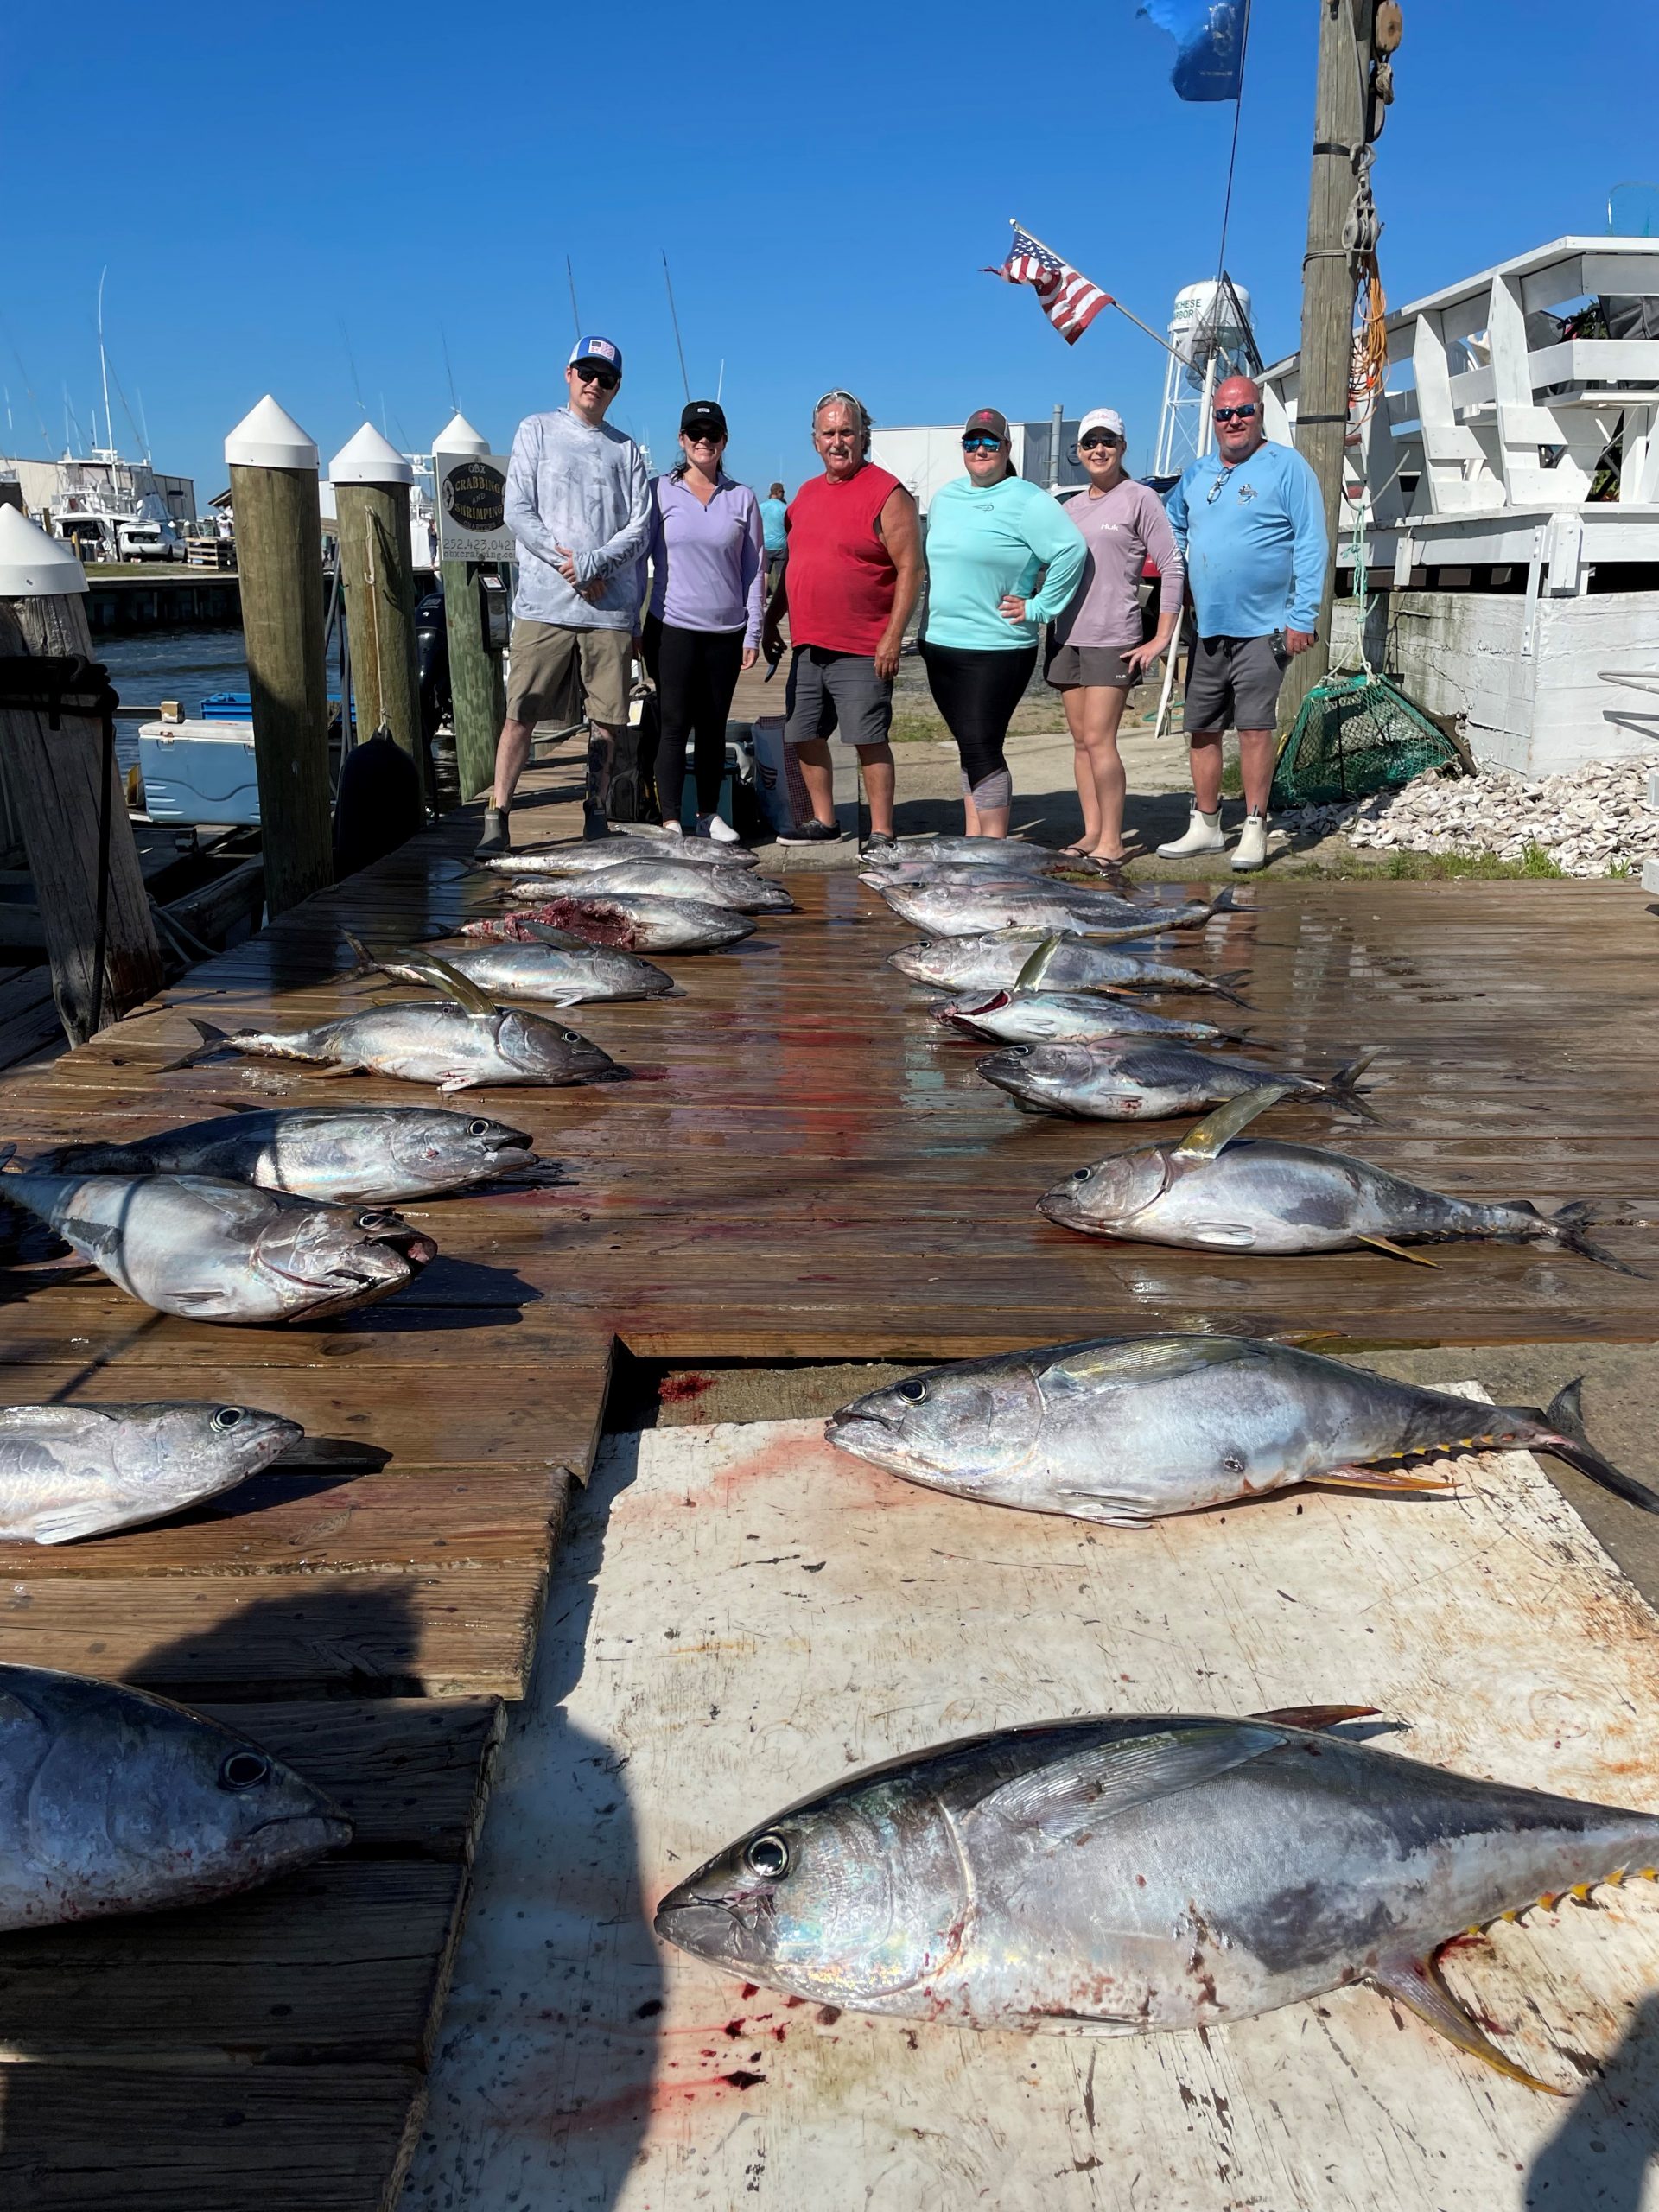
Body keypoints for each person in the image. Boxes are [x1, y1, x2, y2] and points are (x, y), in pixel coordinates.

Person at [476, 335, 651, 854]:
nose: (595, 384)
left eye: (607, 378)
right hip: (544, 606)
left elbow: (640, 527)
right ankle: (498, 812)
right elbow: (518, 511)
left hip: (611, 611)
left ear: (617, 388)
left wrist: (596, 564)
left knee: (608, 720)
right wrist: (569, 565)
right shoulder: (536, 430)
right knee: (521, 712)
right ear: (569, 374)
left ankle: (594, 809)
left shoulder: (627, 450)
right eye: (587, 373)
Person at [1158, 373, 1326, 872]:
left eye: (1243, 411)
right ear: (1213, 420)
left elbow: (1312, 543)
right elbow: (1172, 522)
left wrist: (1302, 615)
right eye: (1224, 414)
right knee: (1202, 728)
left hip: (1265, 626)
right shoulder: (1198, 472)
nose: (1234, 421)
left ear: (1260, 414)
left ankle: (1255, 824)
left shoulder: (1287, 467)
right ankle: (1206, 824)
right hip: (1208, 626)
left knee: (1254, 728)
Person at [760, 390, 921, 852]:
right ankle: (825, 820)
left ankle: (882, 832)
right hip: (810, 643)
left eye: (846, 431)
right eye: (828, 432)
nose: (837, 441)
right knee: (803, 732)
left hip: (863, 643)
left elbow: (911, 568)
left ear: (863, 436)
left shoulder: (888, 493)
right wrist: (773, 620)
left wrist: (893, 637)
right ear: (815, 440)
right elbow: (793, 568)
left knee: (867, 738)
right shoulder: (805, 496)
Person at [918, 406, 1086, 840]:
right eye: (972, 441)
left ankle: (994, 854)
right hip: (941, 646)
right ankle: (975, 841)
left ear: (1006, 448)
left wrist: (1039, 608)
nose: (980, 449)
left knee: (982, 747)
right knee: (970, 749)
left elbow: (1071, 551)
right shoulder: (946, 498)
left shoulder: (1027, 499)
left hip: (997, 648)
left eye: (990, 442)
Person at [1045, 407, 1184, 864]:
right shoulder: (1069, 507)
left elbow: (1171, 565)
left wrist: (1161, 636)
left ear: (1122, 446)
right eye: (1089, 443)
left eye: (1108, 441)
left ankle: (1113, 841)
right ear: (1079, 451)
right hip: (1067, 637)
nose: (1098, 450)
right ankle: (1091, 833)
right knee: (1082, 742)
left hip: (1113, 638)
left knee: (1102, 741)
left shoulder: (1140, 498)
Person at [639, 399, 764, 842]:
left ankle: (708, 814)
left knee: (713, 726)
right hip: (671, 626)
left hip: (726, 633)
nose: (704, 442)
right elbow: (639, 559)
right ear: (682, 440)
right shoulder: (659, 491)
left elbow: (754, 570)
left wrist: (754, 630)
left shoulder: (743, 497)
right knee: (673, 723)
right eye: (695, 434)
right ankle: (670, 818)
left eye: (712, 435)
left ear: (724, 441)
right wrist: (634, 623)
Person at [760, 480, 789, 598]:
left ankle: (763, 598)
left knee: (765, 572)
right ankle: (782, 598)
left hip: (766, 544)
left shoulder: (761, 507)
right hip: (781, 545)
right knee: (781, 573)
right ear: (780, 492)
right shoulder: (785, 508)